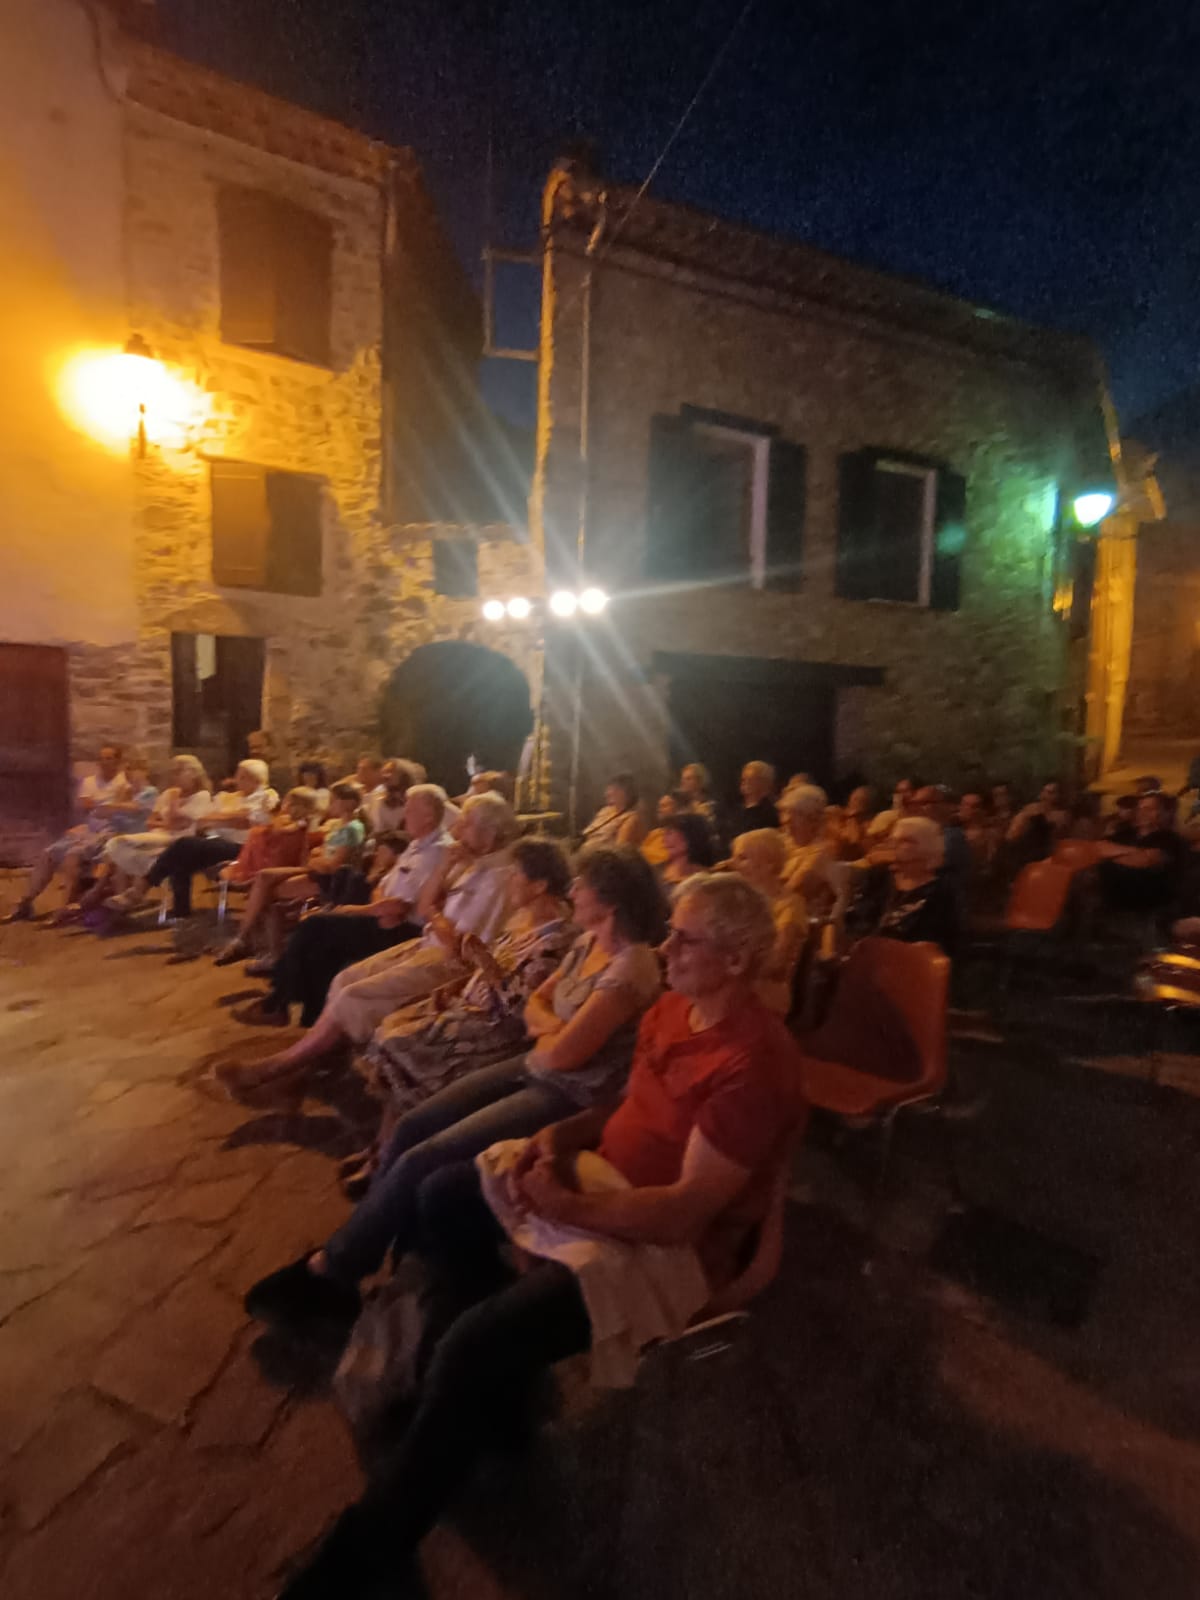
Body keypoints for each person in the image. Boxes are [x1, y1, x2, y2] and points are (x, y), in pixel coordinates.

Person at [253, 873, 806, 1599]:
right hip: (603, 1181)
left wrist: (561, 1204)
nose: (667, 946)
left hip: (670, 1247)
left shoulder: (752, 1064)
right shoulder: (676, 1007)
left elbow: (683, 1216)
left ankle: (376, 1548)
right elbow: (623, 1107)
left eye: (684, 938)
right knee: (441, 1195)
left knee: (470, 1341)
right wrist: (557, 1136)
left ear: (735, 960)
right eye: (670, 930)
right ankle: (491, 1397)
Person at [219, 791, 517, 1086]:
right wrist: (443, 871)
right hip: (426, 940)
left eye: (466, 823)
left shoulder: (498, 878)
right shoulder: (469, 861)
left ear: (489, 832)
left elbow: (456, 943)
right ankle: (317, 1044)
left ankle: (282, 1063)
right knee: (343, 978)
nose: (458, 830)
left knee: (348, 983)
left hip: (448, 960)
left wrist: (432, 911)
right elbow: (423, 900)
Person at [349, 838, 578, 1190]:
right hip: (471, 1009)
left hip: (495, 1030)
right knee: (392, 1029)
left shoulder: (556, 941)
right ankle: (383, 1146)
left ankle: (388, 1157)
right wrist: (457, 986)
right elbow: (486, 967)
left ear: (539, 885)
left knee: (398, 1045)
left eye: (516, 874)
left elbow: (521, 1009)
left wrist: (482, 960)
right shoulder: (522, 919)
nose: (509, 880)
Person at [236, 785, 454, 1027]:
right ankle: (307, 1012)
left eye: (411, 810)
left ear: (429, 816)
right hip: (381, 916)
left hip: (402, 929)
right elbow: (382, 885)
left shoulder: (436, 852)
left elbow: (399, 908)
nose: (405, 814)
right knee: (319, 939)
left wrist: (352, 910)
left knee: (315, 926)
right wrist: (377, 905)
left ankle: (280, 1003)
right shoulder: (418, 844)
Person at [213, 782, 365, 967]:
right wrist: (316, 857)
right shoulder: (338, 825)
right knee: (264, 883)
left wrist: (316, 859)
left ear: (347, 803)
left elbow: (333, 866)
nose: (329, 805)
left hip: (328, 879)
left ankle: (247, 943)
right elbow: (319, 854)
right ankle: (260, 948)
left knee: (264, 888)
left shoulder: (353, 828)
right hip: (315, 869)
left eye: (333, 801)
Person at [106, 759, 278, 918]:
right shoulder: (227, 796)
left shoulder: (266, 796)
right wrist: (227, 818)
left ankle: (140, 889)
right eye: (238, 775)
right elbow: (203, 821)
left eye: (243, 776)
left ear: (257, 779)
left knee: (184, 844)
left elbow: (247, 821)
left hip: (244, 847)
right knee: (182, 855)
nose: (237, 780)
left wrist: (223, 818)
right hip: (215, 841)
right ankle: (180, 911)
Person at [9, 744, 128, 920]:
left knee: (73, 855)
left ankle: (63, 909)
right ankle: (26, 903)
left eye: (109, 758)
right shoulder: (90, 781)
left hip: (110, 832)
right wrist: (106, 805)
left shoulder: (123, 782)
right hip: (89, 830)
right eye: (101, 758)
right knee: (48, 854)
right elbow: (85, 805)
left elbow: (115, 811)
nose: (103, 762)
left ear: (117, 761)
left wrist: (102, 806)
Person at [47, 755, 160, 921]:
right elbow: (101, 813)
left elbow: (134, 808)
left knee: (111, 860)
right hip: (111, 834)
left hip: (134, 837)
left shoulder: (150, 792)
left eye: (133, 769)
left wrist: (110, 806)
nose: (128, 773)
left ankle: (96, 901)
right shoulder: (125, 791)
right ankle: (66, 904)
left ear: (143, 771)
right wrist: (110, 807)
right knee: (73, 854)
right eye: (126, 769)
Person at [98, 755, 213, 901]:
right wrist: (168, 823)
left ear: (194, 773)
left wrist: (174, 801)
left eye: (179, 771)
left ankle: (136, 894)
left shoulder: (201, 796)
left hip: (181, 841)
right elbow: (151, 822)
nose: (175, 776)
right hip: (159, 835)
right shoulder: (167, 794)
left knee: (145, 852)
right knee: (122, 847)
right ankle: (130, 897)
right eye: (173, 772)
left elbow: (179, 824)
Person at [846, 815, 960, 955]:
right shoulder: (878, 876)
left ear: (927, 848)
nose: (894, 845)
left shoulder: (942, 891)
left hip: (912, 962)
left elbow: (947, 944)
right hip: (865, 957)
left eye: (905, 840)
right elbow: (854, 919)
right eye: (893, 839)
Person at [731, 828, 807, 1014]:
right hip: (734, 985)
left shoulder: (790, 904)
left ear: (769, 864)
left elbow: (776, 962)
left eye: (743, 858)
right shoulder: (740, 902)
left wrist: (725, 968)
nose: (733, 864)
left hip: (765, 993)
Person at [1096, 791, 1186, 916]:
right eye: (1139, 809)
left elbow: (1145, 860)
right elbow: (1098, 847)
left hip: (1148, 913)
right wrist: (1135, 852)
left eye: (1149, 809)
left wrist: (1110, 854)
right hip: (1111, 909)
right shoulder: (1124, 833)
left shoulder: (1171, 840)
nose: (1142, 813)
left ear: (1165, 813)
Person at [779, 784, 844, 916]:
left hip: (801, 918)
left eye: (796, 815)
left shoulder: (823, 852)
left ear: (814, 821)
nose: (787, 820)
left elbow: (794, 890)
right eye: (787, 813)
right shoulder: (785, 843)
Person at [1005, 779, 1069, 865]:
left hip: (1047, 857)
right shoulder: (1030, 809)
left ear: (1058, 796)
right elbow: (1011, 836)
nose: (1047, 796)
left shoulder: (1062, 815)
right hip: (1025, 853)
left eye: (1052, 793)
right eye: (1045, 792)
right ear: (1040, 794)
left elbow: (1058, 840)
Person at [580, 773, 645, 848]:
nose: (607, 793)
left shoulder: (631, 819)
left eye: (613, 789)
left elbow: (620, 851)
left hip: (599, 854)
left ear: (625, 793)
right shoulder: (604, 811)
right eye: (608, 789)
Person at [658, 810, 717, 888]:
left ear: (689, 837)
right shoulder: (656, 874)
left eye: (669, 833)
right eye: (664, 834)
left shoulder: (709, 882)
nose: (663, 840)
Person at [728, 761, 778, 839]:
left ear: (763, 783)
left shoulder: (770, 813)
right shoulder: (736, 810)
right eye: (743, 779)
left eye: (750, 779)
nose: (744, 783)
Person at [827, 785, 876, 862]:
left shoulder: (868, 825)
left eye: (861, 800)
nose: (856, 801)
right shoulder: (835, 812)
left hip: (844, 862)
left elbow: (854, 840)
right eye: (855, 798)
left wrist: (852, 817)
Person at [640, 791, 687, 869]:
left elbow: (665, 858)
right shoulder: (654, 833)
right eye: (659, 806)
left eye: (664, 806)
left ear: (679, 810)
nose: (659, 810)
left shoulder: (682, 835)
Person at [367, 760, 411, 836]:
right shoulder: (377, 792)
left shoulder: (410, 796)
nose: (385, 776)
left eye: (390, 772)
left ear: (402, 775)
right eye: (384, 772)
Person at [865, 777, 918, 842]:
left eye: (905, 791)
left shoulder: (922, 818)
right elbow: (869, 839)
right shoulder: (885, 816)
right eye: (898, 792)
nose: (902, 796)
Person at [678, 762, 720, 834]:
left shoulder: (711, 805)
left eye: (688, 779)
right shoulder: (681, 805)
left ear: (699, 781)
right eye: (682, 779)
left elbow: (712, 830)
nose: (683, 782)